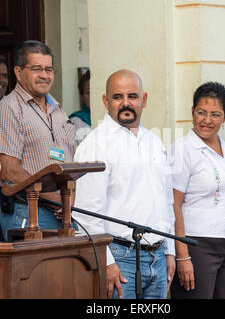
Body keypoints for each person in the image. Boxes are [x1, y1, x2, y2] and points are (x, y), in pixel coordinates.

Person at [73, 69, 176, 299]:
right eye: (118, 97)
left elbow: (166, 201)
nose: (126, 103)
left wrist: (169, 252)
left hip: (157, 257)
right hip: (120, 257)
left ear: (144, 99)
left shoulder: (154, 142)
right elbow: (85, 214)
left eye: (133, 96)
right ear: (105, 101)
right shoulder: (95, 145)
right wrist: (107, 262)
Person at [168, 82, 225, 299]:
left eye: (215, 114)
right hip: (197, 246)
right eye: (201, 112)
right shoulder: (182, 150)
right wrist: (182, 256)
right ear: (192, 112)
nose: (207, 120)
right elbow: (173, 204)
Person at [0, 41, 77, 241]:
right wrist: (58, 198)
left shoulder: (58, 109)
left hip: (64, 214)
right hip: (28, 213)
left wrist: (69, 200)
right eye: (37, 69)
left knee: (62, 271)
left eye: (48, 69)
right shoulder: (8, 109)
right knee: (35, 273)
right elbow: (9, 171)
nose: (44, 75)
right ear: (18, 72)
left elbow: (69, 161)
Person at [69, 70, 92, 143]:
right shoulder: (75, 122)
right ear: (81, 95)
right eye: (89, 92)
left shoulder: (111, 119)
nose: (94, 96)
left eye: (97, 91)